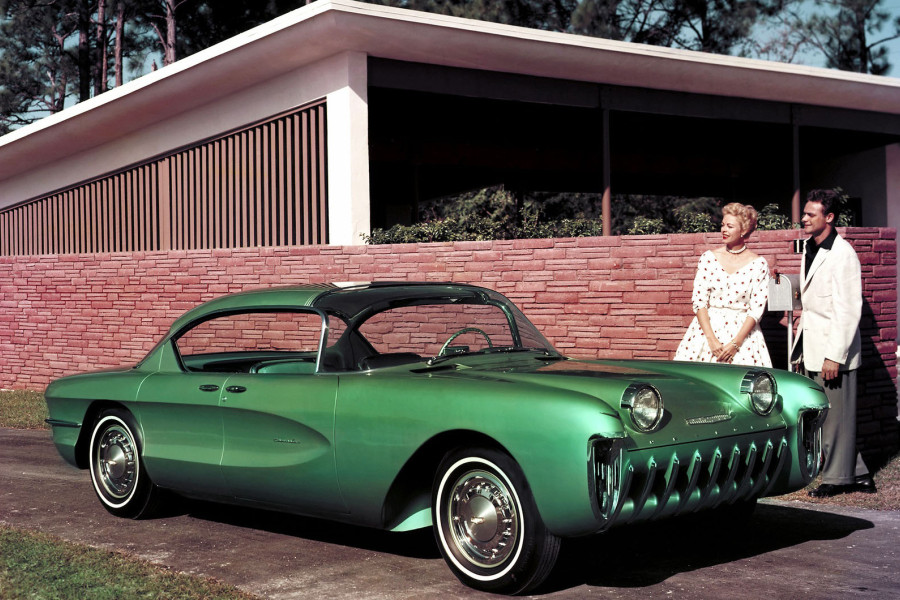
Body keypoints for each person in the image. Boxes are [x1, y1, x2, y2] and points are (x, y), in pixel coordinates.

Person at [791, 189, 876, 497]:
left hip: (832, 351)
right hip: (812, 345)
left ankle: (838, 480)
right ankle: (858, 473)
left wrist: (835, 356)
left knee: (835, 417)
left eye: (810, 214)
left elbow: (848, 309)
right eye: (804, 213)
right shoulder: (810, 248)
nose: (803, 219)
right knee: (825, 415)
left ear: (829, 217)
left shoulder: (843, 254)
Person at [675, 203, 772, 367]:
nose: (724, 230)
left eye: (730, 226)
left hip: (743, 337)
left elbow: (756, 309)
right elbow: (699, 301)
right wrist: (711, 340)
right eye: (722, 225)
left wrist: (736, 344)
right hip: (706, 333)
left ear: (743, 230)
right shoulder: (708, 258)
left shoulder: (758, 264)